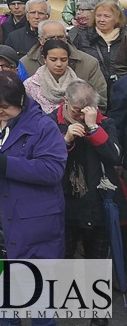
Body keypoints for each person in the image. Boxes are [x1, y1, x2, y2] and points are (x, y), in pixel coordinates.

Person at [0, 72, 67, 326]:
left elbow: (52, 170)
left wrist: (1, 161)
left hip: (32, 218)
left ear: (20, 100)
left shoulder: (43, 127)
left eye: (5, 106)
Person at [55, 81, 121, 326]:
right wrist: (66, 138)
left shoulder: (105, 122)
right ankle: (65, 303)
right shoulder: (53, 120)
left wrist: (94, 128)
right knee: (63, 255)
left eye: (87, 109)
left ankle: (98, 313)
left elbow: (115, 154)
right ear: (66, 104)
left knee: (97, 260)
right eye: (76, 110)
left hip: (97, 200)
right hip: (65, 200)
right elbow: (47, 158)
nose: (81, 115)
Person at [19, 20, 108, 110]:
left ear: (66, 38)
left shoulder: (88, 63)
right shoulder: (25, 64)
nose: (56, 41)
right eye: (50, 38)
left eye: (60, 37)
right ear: (40, 40)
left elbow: (99, 102)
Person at [74, 0, 127, 85]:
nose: (101, 20)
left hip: (120, 88)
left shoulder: (124, 37)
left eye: (107, 16)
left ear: (117, 18)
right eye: (98, 16)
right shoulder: (83, 37)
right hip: (93, 86)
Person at [23, 40, 78, 114]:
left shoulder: (79, 86)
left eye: (63, 60)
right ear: (44, 59)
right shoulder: (31, 85)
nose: (59, 64)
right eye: (53, 60)